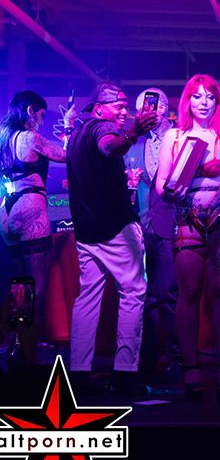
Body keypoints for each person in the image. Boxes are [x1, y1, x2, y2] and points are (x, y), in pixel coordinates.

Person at [155, 74, 220, 400]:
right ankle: (190, 367)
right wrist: (172, 193)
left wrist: (215, 202)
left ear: (217, 101)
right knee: (188, 291)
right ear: (188, 101)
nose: (203, 102)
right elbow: (161, 182)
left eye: (209, 97)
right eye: (197, 96)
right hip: (186, 216)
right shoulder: (174, 136)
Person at [66, 81, 157, 393]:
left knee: (87, 299)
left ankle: (79, 373)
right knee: (133, 292)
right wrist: (134, 132)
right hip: (115, 229)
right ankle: (125, 373)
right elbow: (109, 147)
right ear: (99, 108)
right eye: (119, 106)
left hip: (86, 231)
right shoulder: (101, 127)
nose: (124, 112)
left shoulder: (76, 135)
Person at [0, 90, 75, 364]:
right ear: (31, 110)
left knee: (19, 285)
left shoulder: (3, 137)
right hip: (30, 208)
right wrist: (68, 126)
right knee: (36, 287)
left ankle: (13, 344)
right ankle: (25, 352)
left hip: (6, 213)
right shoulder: (31, 138)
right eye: (41, 115)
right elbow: (67, 155)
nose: (42, 122)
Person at [125, 88, 180, 381]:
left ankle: (175, 358)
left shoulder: (181, 138)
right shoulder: (133, 144)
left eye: (155, 106)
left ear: (166, 108)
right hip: (140, 225)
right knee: (144, 298)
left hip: (171, 225)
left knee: (169, 294)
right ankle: (146, 360)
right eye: (144, 107)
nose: (150, 111)